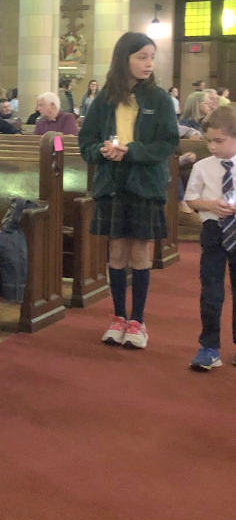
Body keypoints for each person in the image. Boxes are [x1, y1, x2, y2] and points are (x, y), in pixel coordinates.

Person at [78, 32, 179, 350]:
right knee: (117, 252)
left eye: (151, 57)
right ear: (125, 59)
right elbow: (86, 142)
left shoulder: (160, 99)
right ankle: (118, 317)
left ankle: (138, 321)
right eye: (141, 57)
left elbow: (168, 143)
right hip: (111, 184)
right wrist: (102, 151)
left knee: (139, 252)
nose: (148, 63)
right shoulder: (105, 97)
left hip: (144, 185)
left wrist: (132, 151)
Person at [184, 105, 236, 371]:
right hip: (214, 231)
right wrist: (210, 204)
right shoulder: (203, 167)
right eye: (209, 141)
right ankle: (209, 347)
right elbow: (191, 200)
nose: (212, 146)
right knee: (211, 290)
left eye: (219, 141)